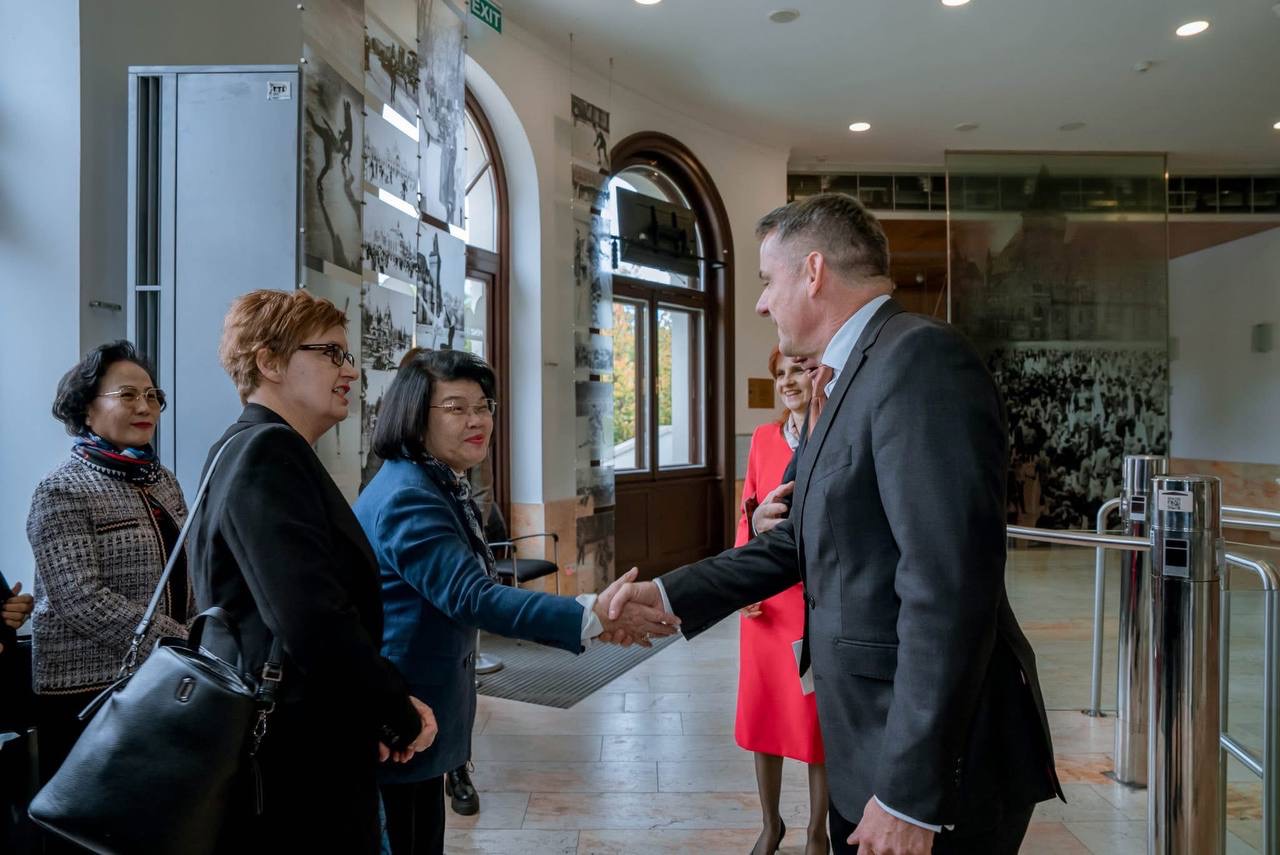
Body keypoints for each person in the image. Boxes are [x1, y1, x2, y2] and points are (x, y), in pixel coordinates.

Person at [606, 193, 1062, 855]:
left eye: (768, 280)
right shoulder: (849, 375)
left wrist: (910, 792)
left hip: (935, 772)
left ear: (814, 272)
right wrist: (668, 594)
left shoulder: (920, 360)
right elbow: (795, 539)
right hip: (869, 748)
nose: (761, 303)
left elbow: (948, 587)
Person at [354, 348, 677, 855]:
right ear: (415, 416)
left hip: (420, 716)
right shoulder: (408, 495)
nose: (477, 420)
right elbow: (473, 596)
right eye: (456, 408)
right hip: (401, 716)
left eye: (483, 406)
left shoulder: (432, 479)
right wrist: (591, 614)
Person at [188, 290, 437, 854]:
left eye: (347, 355)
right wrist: (394, 710)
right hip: (294, 759)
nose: (350, 370)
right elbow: (311, 618)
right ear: (269, 362)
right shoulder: (267, 452)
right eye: (330, 353)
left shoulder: (241, 447)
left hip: (293, 740)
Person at [26, 341, 192, 846]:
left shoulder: (162, 482)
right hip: (89, 692)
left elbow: (189, 569)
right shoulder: (61, 490)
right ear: (86, 407)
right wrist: (180, 641)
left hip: (159, 681)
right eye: (128, 395)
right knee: (93, 835)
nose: (146, 406)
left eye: (153, 395)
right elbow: (79, 598)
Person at [736, 347, 828, 855]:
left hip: (814, 602)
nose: (788, 382)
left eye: (797, 371)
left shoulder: (831, 433)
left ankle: (818, 832)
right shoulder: (762, 438)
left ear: (816, 377)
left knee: (817, 724)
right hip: (765, 603)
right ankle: (771, 825)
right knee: (763, 714)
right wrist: (742, 583)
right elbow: (746, 510)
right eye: (780, 375)